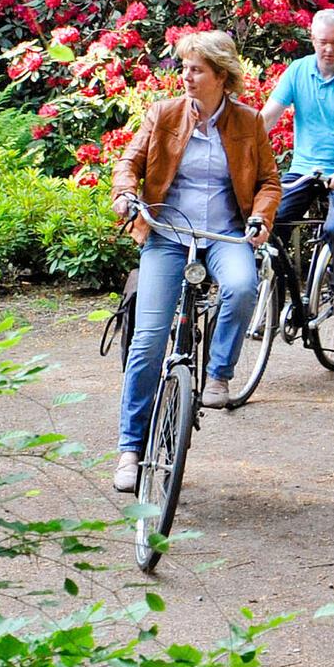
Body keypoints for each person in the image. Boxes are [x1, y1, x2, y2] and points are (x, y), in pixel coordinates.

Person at [110, 31, 280, 492]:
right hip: (168, 235)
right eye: (184, 67)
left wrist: (261, 219)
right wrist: (127, 195)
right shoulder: (164, 113)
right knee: (147, 343)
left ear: (222, 77)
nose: (186, 76)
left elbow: (268, 181)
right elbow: (129, 162)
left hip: (223, 233)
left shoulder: (248, 122)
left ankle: (219, 373)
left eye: (197, 69)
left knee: (244, 287)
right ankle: (130, 448)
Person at [259, 9, 334, 318]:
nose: (328, 49)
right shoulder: (298, 71)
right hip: (304, 169)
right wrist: (241, 147)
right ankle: (277, 295)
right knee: (272, 223)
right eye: (322, 42)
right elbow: (268, 117)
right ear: (312, 39)